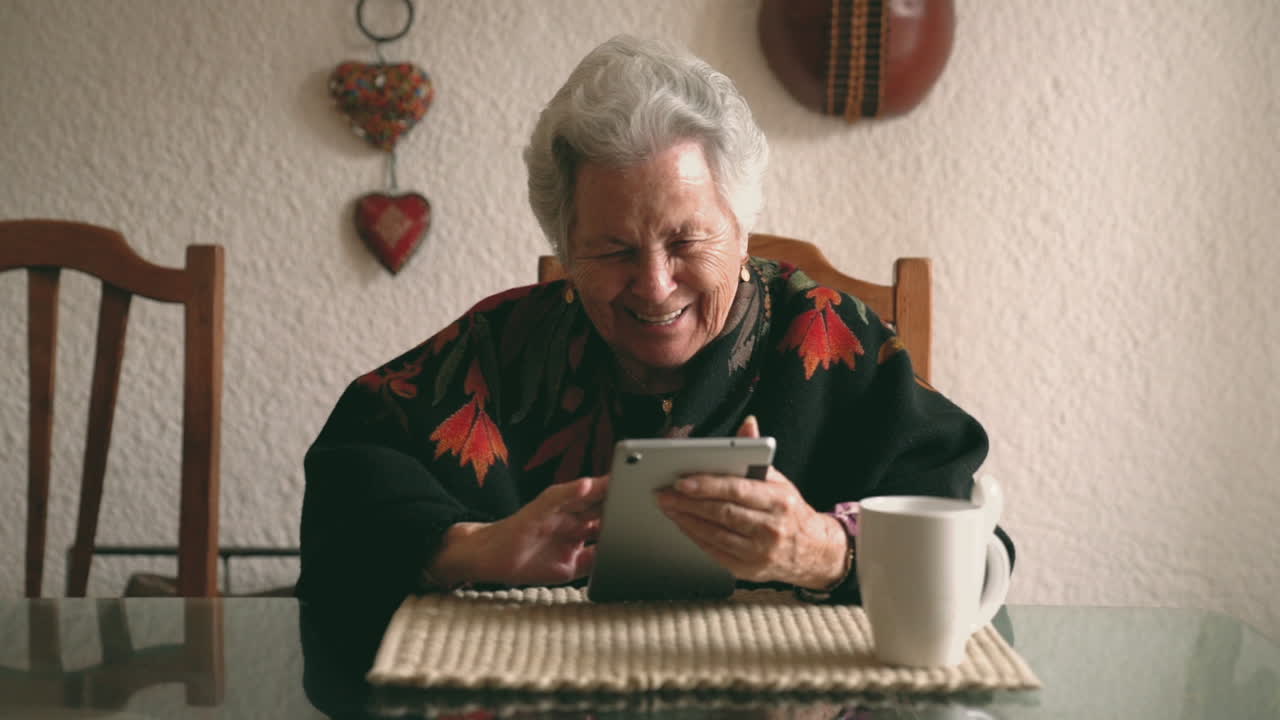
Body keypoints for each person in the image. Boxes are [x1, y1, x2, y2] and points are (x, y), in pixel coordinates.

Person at [298, 35, 1010, 607]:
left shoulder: (831, 340)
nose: (655, 284)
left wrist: (825, 551)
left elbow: (979, 548)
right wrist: (470, 549)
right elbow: (349, 480)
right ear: (566, 252)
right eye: (612, 250)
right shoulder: (502, 348)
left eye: (686, 242)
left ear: (741, 230)